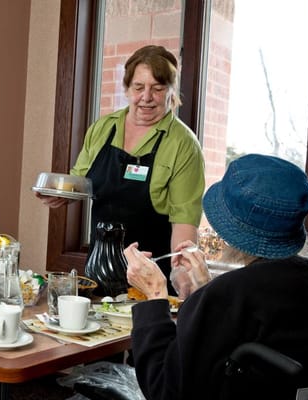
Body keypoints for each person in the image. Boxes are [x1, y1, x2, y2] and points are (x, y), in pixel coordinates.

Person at [125, 154, 308, 400]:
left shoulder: (230, 292)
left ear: (231, 228)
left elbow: (163, 390)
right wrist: (201, 292)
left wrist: (155, 294)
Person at [38, 45, 205, 295]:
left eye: (157, 89)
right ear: (127, 89)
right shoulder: (104, 128)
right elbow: (79, 183)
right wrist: (57, 194)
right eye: (139, 87)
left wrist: (183, 279)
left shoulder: (183, 144)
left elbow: (184, 224)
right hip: (98, 273)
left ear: (171, 93)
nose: (146, 97)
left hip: (149, 280)